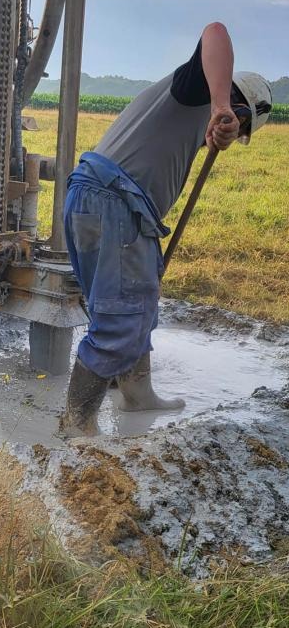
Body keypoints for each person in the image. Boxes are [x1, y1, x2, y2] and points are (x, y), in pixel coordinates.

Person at [60, 22, 272, 437]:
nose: (235, 134)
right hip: (115, 205)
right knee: (120, 317)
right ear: (241, 108)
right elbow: (215, 31)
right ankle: (76, 423)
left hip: (97, 200)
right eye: (241, 127)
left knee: (138, 303)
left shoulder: (182, 108)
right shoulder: (197, 88)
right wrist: (217, 105)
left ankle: (138, 395)